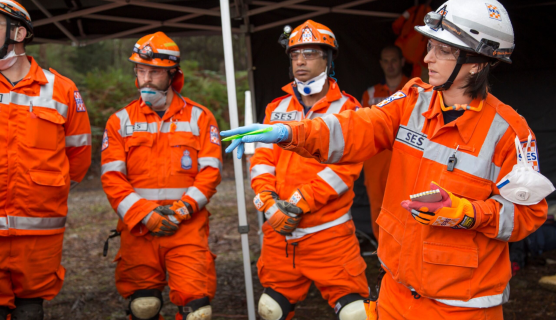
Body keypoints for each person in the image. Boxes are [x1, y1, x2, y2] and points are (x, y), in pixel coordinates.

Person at [222, 1, 553, 319]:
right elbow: (355, 127)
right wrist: (289, 133)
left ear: (478, 62)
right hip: (396, 291)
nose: (427, 58)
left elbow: (528, 213)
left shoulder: (509, 133)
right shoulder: (413, 101)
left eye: (444, 50)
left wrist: (467, 213)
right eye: (431, 46)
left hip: (461, 305)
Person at [250, 20, 371, 320]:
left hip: (329, 236)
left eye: (310, 53)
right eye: (294, 55)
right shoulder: (275, 108)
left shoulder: (348, 110)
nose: (300, 61)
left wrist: (297, 203)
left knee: (356, 314)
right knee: (270, 309)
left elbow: (345, 171)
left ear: (329, 59)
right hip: (281, 233)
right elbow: (262, 162)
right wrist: (268, 204)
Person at [101, 32, 222, 320]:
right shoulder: (120, 121)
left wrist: (181, 210)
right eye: (140, 70)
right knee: (144, 307)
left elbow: (211, 173)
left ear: (173, 74)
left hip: (187, 228)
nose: (145, 79)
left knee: (198, 311)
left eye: (154, 72)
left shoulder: (200, 117)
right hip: (139, 230)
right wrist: (146, 214)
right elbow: (112, 179)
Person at [0, 1, 92, 319]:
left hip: (39, 232)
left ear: (19, 33)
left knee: (30, 311)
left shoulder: (61, 90)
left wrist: (45, 191)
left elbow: (78, 156)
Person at [360, 45, 409, 239]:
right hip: (377, 162)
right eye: (386, 61)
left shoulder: (415, 90)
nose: (390, 65)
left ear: (402, 62)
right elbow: (365, 129)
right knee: (378, 209)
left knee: (408, 206)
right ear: (381, 64)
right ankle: (383, 260)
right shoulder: (369, 94)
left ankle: (406, 258)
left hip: (407, 160)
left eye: (394, 60)